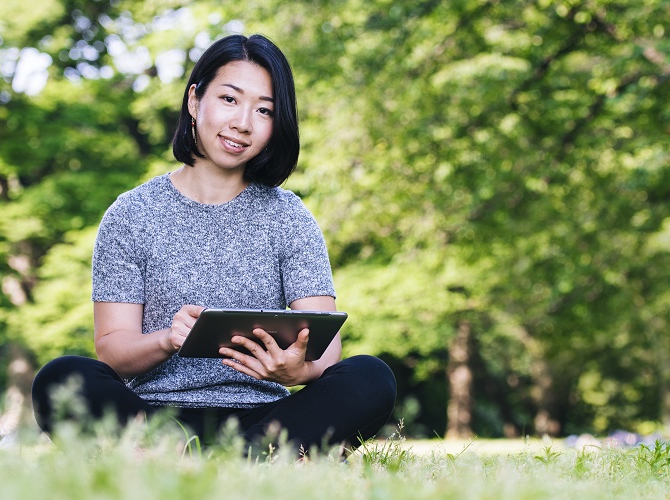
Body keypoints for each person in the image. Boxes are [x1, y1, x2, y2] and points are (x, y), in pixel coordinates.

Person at [31, 33, 396, 455]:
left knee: (371, 377)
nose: (243, 122)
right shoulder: (131, 214)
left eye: (264, 110)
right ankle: (194, 454)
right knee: (61, 378)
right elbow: (112, 351)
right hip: (154, 415)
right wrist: (167, 339)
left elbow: (327, 353)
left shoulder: (290, 216)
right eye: (229, 99)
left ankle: (226, 456)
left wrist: (297, 369)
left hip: (266, 417)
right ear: (194, 100)